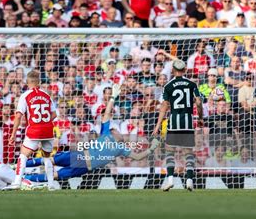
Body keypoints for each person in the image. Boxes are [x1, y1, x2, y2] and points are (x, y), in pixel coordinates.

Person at [25, 85, 153, 183]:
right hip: (79, 155)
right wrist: (113, 97)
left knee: (55, 175)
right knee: (49, 160)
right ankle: (20, 165)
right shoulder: (106, 133)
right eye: (114, 129)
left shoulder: (120, 149)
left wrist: (151, 149)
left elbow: (137, 157)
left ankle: (27, 179)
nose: (116, 130)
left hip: (85, 166)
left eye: (117, 130)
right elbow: (107, 114)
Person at [153, 60, 204, 192]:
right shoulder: (192, 84)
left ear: (173, 70)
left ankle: (170, 180)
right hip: (187, 121)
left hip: (174, 122)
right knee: (188, 153)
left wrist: (158, 125)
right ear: (185, 70)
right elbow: (198, 102)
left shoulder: (168, 85)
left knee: (170, 151)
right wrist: (200, 118)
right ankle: (189, 181)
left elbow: (164, 106)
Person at [8, 70, 57, 190]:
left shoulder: (25, 96)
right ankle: (51, 185)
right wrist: (44, 122)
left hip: (34, 131)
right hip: (48, 130)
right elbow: (54, 114)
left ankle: (17, 182)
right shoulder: (46, 95)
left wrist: (13, 134)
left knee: (23, 156)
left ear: (27, 82)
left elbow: (18, 116)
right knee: (46, 157)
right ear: (39, 82)